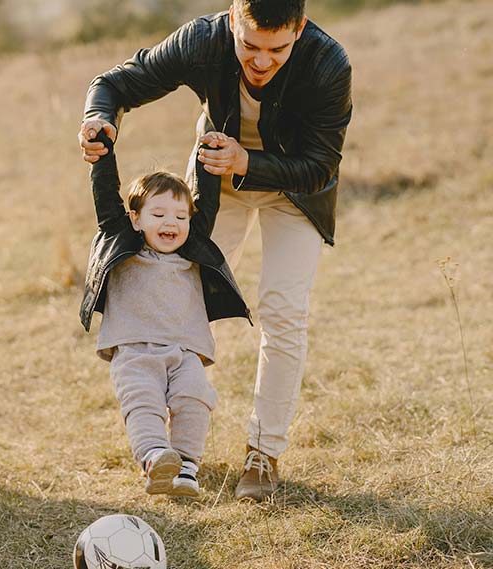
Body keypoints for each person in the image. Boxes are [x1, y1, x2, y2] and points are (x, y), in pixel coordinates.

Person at [78, 0, 352, 501]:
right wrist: (99, 119)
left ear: (301, 29)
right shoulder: (202, 40)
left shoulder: (328, 63)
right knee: (179, 293)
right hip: (213, 185)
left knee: (282, 309)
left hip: (295, 192)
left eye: (278, 48)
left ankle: (263, 454)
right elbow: (114, 84)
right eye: (250, 46)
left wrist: (248, 159)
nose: (263, 61)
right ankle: (164, 446)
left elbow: (321, 165)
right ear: (231, 20)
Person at [80, 132, 249, 497]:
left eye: (179, 216)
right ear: (136, 219)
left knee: (194, 399)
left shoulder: (193, 248)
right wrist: (101, 155)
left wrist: (211, 151)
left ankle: (186, 466)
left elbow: (208, 199)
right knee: (143, 402)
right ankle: (156, 457)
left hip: (186, 349)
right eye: (158, 214)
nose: (170, 223)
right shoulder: (121, 240)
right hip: (134, 349)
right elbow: (106, 196)